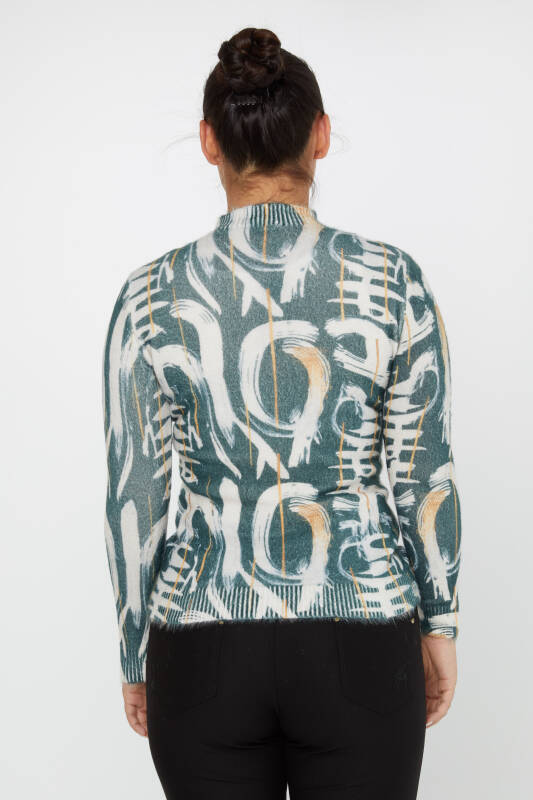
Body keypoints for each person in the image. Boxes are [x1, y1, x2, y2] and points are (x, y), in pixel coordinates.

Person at [102, 26, 462, 800]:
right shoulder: (392, 281)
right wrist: (439, 624)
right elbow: (422, 472)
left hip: (199, 643)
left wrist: (135, 650)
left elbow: (136, 491)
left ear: (210, 141)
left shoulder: (148, 297)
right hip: (361, 635)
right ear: (319, 135)